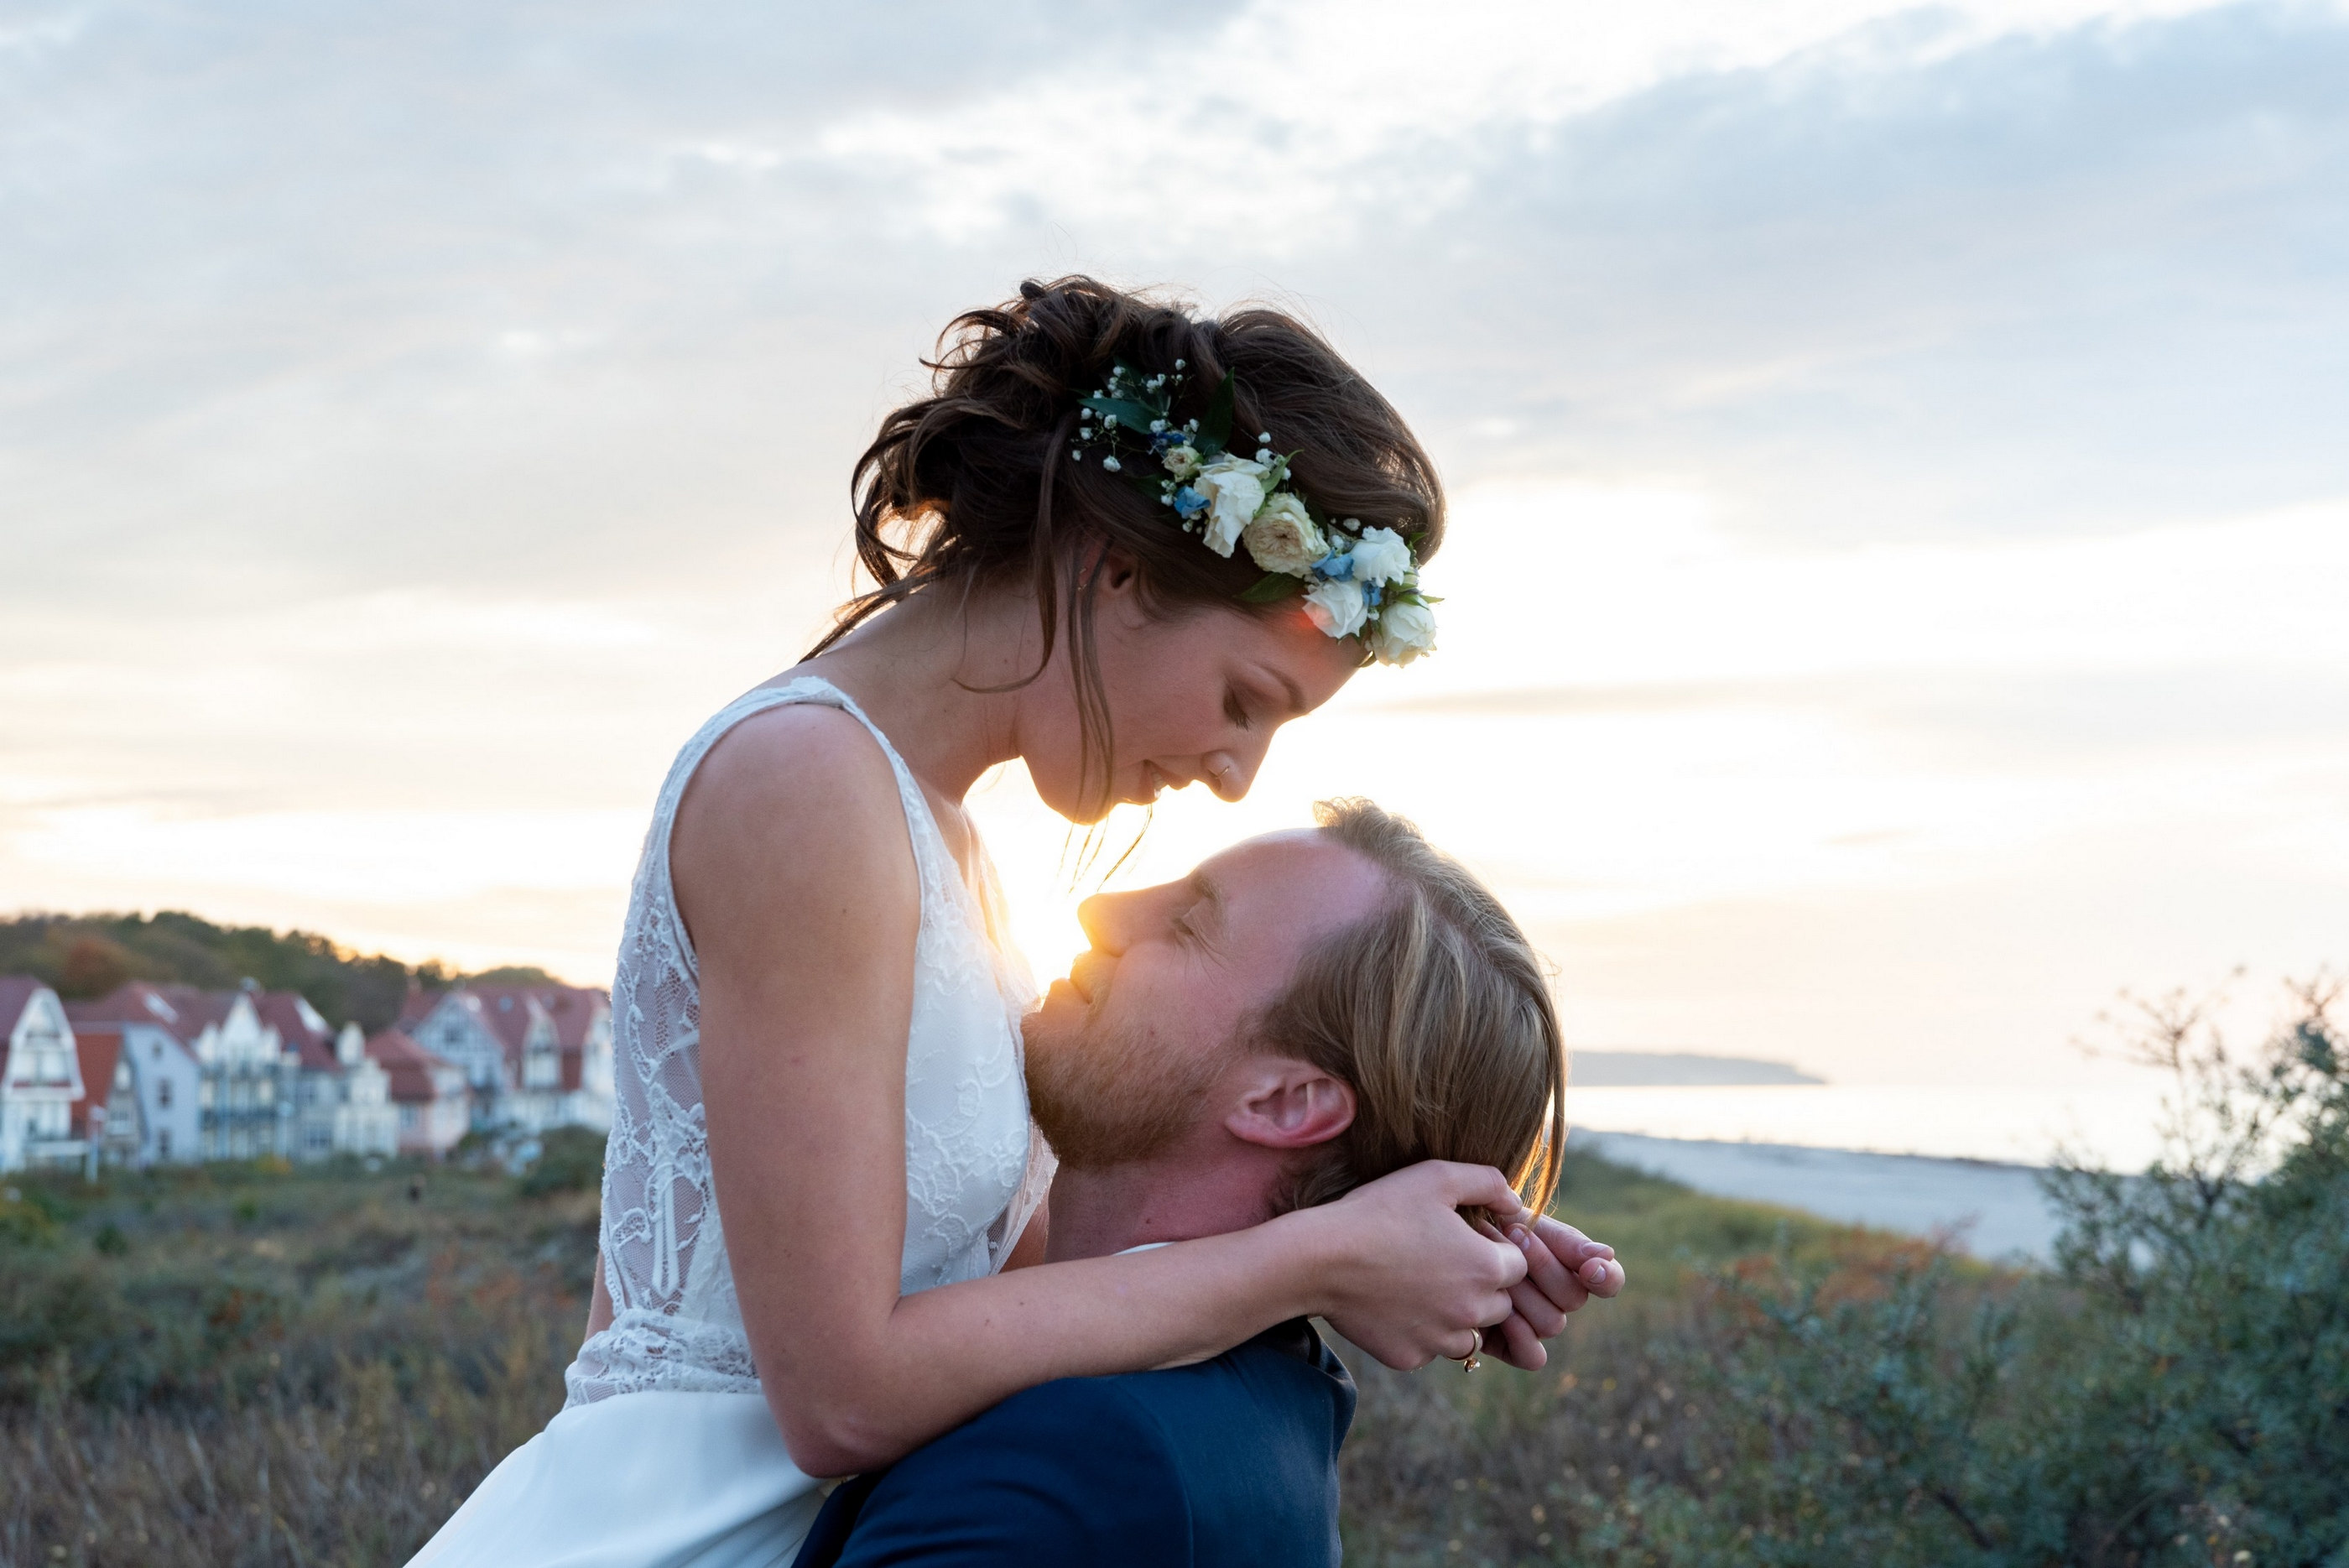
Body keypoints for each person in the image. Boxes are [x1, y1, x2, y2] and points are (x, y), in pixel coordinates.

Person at [409, 279, 1622, 1567]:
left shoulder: (955, 850)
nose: (1234, 772)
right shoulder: (808, 790)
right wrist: (1320, 1258)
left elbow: (1025, 1300)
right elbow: (839, 1394)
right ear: (1112, 571)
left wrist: (1407, 1206)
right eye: (1242, 696)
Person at [793, 800, 1609, 1567]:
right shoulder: (1281, 1390)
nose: (1100, 910)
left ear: (1284, 1102)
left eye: (1185, 925)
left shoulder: (1081, 1453)